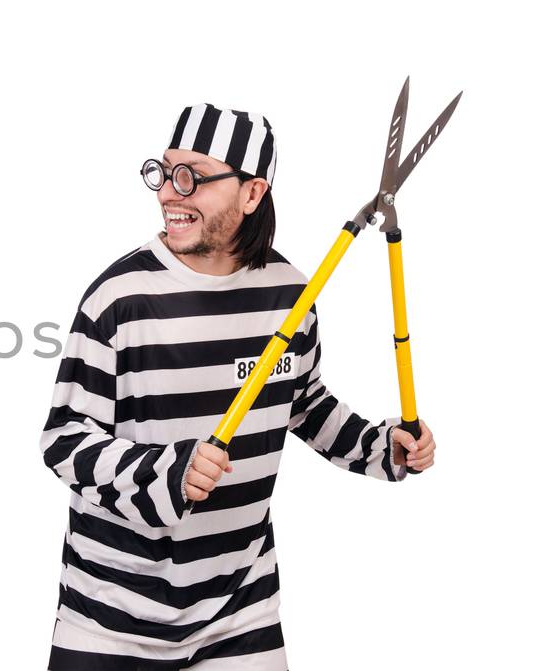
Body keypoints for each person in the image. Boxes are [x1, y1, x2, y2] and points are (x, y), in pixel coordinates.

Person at [39, 104, 438, 669]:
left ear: (252, 194)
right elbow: (64, 441)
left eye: (192, 177)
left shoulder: (290, 293)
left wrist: (382, 446)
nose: (169, 194)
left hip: (241, 612)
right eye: (166, 172)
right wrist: (167, 472)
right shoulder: (118, 299)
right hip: (110, 617)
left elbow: (303, 405)